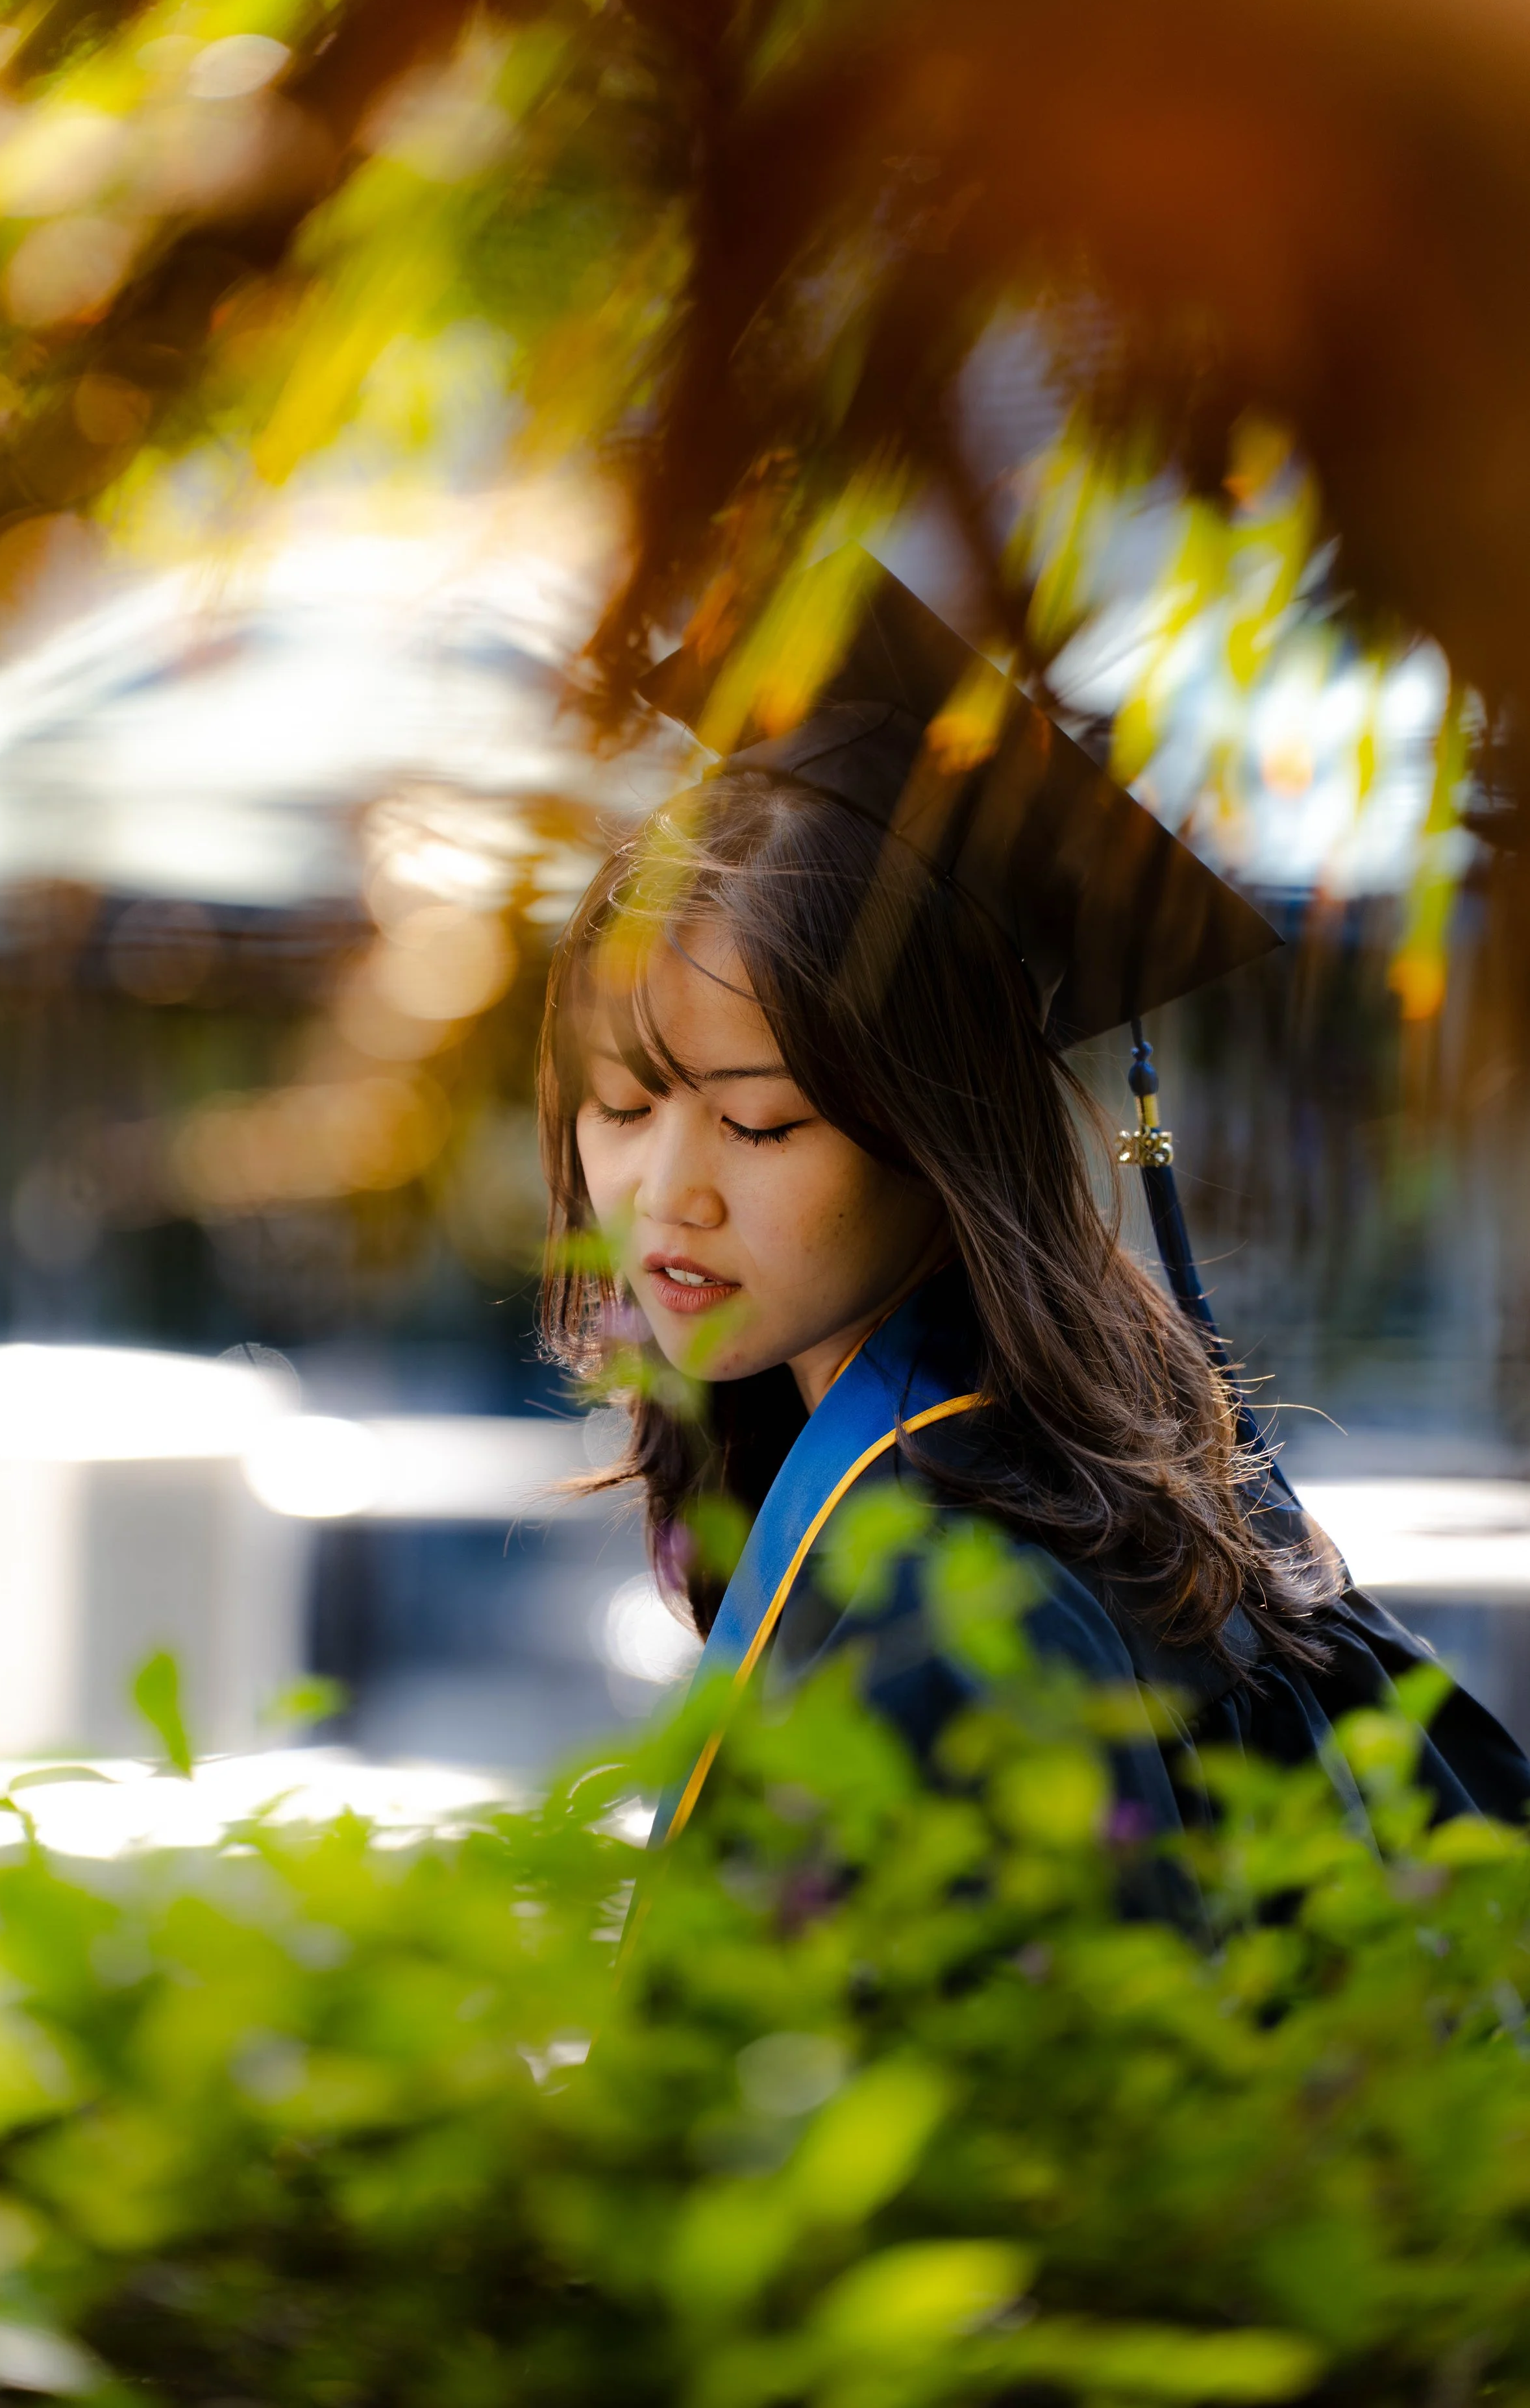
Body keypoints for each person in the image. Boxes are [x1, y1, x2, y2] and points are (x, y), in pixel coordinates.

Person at [537, 551, 1530, 1848]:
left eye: (758, 1122)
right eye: (618, 1109)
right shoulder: (1055, 1473)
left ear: (946, 1131)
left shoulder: (973, 1611)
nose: (664, 1195)